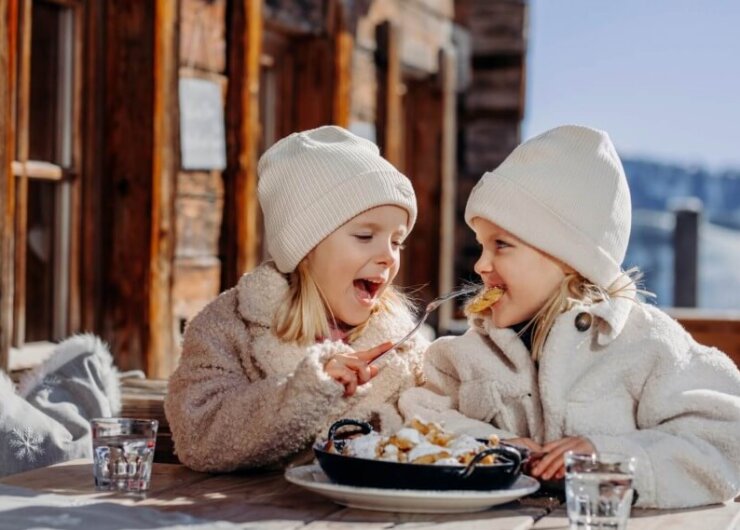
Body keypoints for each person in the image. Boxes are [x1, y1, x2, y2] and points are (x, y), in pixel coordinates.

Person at [399, 125, 740, 508]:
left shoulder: (648, 344)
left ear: (568, 259)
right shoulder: (467, 355)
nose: (481, 264)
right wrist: (492, 446)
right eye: (481, 245)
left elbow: (726, 439)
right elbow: (417, 417)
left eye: (501, 245)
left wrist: (609, 457)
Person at [165, 125, 427, 472]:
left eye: (397, 242)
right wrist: (308, 390)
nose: (388, 256)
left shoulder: (404, 343)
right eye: (365, 236)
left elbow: (442, 422)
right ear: (305, 248)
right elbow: (200, 435)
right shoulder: (228, 327)